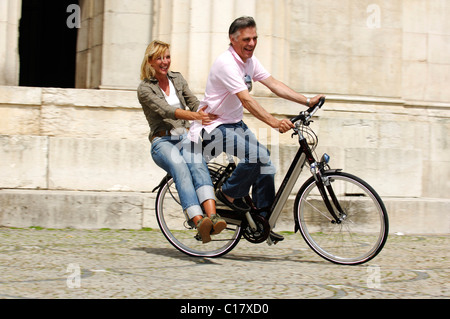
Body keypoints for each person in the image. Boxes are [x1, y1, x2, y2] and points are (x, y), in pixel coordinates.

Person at [188, 17, 325, 242]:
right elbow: (247, 100)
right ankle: (228, 194)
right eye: (246, 39)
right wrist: (274, 122)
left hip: (234, 124)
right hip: (214, 126)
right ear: (232, 40)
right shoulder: (227, 63)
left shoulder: (249, 61)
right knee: (258, 155)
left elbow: (274, 84)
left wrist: (307, 101)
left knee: (266, 165)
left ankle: (262, 222)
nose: (252, 43)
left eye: (255, 38)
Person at [137, 40, 227, 244]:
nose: (165, 61)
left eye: (167, 57)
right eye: (159, 58)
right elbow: (167, 110)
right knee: (180, 166)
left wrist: (208, 111)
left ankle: (213, 217)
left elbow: (193, 102)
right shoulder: (144, 89)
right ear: (150, 61)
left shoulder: (177, 79)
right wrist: (195, 117)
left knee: (197, 164)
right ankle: (198, 220)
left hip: (184, 135)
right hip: (162, 141)